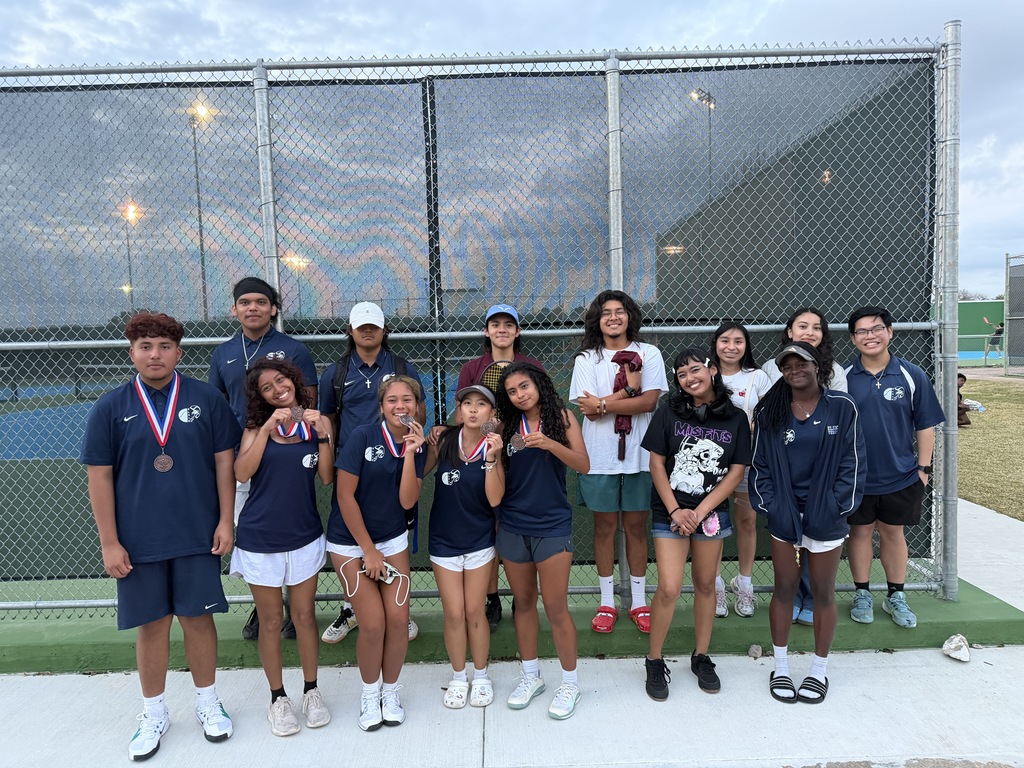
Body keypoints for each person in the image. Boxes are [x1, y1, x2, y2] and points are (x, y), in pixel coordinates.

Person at [81, 312, 239, 761]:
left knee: (197, 620)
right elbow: (99, 478)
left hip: (196, 534)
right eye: (146, 347)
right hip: (138, 541)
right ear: (132, 352)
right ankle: (154, 712)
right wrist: (109, 541)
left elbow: (225, 464)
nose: (155, 354)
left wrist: (226, 520)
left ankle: (208, 702)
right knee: (151, 626)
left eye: (164, 347)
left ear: (178, 353)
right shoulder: (110, 407)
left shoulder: (206, 398)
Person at [750, 342, 866, 704]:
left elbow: (853, 462)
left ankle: (818, 670)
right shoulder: (770, 410)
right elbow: (760, 467)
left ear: (818, 366)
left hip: (825, 516)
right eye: (787, 365)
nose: (795, 369)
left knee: (822, 591)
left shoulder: (842, 407)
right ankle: (781, 667)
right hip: (786, 514)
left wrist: (834, 508)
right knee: (784, 588)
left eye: (802, 362)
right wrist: (775, 508)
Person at [208, 276, 319, 642]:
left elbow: (308, 401)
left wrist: (291, 438)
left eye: (260, 301)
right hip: (246, 454)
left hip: (286, 454)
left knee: (290, 526)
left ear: (273, 308)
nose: (252, 308)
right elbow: (218, 405)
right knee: (250, 527)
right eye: (245, 302)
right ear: (235, 309)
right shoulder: (223, 352)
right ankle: (265, 606)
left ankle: (293, 610)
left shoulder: (293, 348)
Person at [230, 359, 335, 736]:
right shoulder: (255, 429)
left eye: (281, 381)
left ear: (293, 381)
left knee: (305, 616)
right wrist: (267, 430)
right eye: (267, 387)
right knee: (272, 621)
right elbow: (242, 473)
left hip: (305, 535)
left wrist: (321, 432)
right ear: (260, 397)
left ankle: (311, 691)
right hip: (261, 541)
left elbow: (326, 477)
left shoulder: (315, 424)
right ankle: (278, 698)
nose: (278, 390)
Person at [641, 350, 750, 701]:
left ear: (713, 370)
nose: (690, 378)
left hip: (709, 514)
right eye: (682, 374)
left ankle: (701, 657)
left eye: (696, 369)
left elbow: (736, 472)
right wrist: (675, 511)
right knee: (670, 587)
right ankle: (654, 660)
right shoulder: (668, 412)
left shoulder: (734, 417)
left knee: (705, 584)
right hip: (670, 512)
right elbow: (657, 464)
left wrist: (700, 512)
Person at [319, 301, 426, 644]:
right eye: (361, 326)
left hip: (395, 461)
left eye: (374, 326)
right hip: (353, 465)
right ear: (350, 331)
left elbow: (417, 411)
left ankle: (397, 610)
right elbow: (330, 419)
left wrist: (413, 448)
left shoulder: (401, 366)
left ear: (384, 330)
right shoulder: (335, 373)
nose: (368, 331)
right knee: (352, 528)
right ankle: (353, 608)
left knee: (394, 523)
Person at [328, 375, 427, 731]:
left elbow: (406, 501)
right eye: (392, 401)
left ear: (417, 405)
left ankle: (390, 691)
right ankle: (369, 693)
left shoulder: (419, 442)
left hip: (392, 539)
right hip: (350, 542)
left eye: (407, 400)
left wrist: (413, 452)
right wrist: (367, 551)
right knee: (372, 623)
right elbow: (343, 496)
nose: (400, 407)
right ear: (382, 406)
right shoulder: (362, 436)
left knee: (399, 621)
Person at [495, 361, 590, 719]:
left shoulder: (562, 418)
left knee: (555, 606)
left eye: (524, 387)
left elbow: (583, 464)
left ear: (538, 384)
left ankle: (570, 683)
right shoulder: (505, 427)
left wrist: (549, 443)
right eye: (512, 391)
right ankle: (531, 675)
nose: (520, 395)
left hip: (552, 524)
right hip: (512, 524)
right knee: (522, 603)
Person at [569, 290, 667, 634]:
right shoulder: (587, 359)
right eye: (606, 312)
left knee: (637, 527)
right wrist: (627, 393)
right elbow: (587, 411)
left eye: (620, 311)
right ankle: (607, 601)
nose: (613, 317)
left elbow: (650, 403)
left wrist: (605, 404)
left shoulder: (648, 353)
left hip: (639, 455)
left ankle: (639, 602)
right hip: (600, 457)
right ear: (597, 318)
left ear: (630, 317)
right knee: (605, 528)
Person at [845, 306, 944, 629]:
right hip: (857, 477)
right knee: (859, 533)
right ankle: (862, 593)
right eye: (862, 331)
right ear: (853, 339)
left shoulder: (911, 374)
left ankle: (895, 595)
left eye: (876, 329)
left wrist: (923, 469)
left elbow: (925, 424)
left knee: (892, 533)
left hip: (900, 474)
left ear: (889, 332)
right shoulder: (843, 378)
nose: (870, 336)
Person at [450, 303, 544, 631]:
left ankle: (522, 595)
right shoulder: (472, 368)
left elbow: (542, 411)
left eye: (508, 324)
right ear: (487, 331)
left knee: (517, 527)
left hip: (523, 457)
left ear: (517, 331)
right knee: (488, 527)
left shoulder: (532, 366)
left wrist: (517, 439)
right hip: (484, 457)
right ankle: (492, 598)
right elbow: (462, 414)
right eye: (495, 324)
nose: (502, 329)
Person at [760, 306, 849, 625]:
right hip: (785, 465)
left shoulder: (834, 371)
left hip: (820, 468)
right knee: (788, 535)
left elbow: (840, 421)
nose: (809, 331)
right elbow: (767, 415)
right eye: (802, 326)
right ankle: (792, 596)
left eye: (816, 327)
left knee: (817, 532)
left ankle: (811, 597)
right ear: (789, 332)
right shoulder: (771, 367)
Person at [425, 384, 505, 709]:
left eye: (481, 405)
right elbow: (418, 474)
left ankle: (481, 675)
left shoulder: (495, 447)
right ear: (458, 411)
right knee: (454, 613)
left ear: (492, 414)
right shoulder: (443, 441)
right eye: (467, 404)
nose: (473, 410)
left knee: (475, 611)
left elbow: (495, 498)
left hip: (479, 542)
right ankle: (459, 677)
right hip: (443, 542)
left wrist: (491, 458)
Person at [708, 321, 771, 619]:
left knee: (746, 521)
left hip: (747, 461)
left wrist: (747, 429)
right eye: (725, 340)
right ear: (715, 344)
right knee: (715, 524)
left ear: (746, 345)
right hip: (712, 463)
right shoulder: (705, 374)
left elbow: (768, 416)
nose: (731, 346)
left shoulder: (757, 377)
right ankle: (715, 584)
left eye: (738, 341)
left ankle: (744, 583)